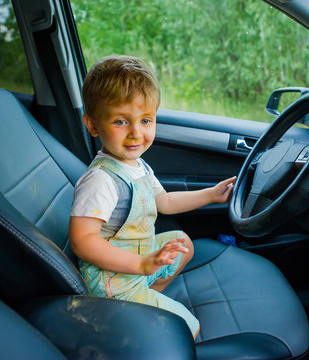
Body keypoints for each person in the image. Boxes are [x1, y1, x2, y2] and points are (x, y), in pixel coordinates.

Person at [69, 55, 236, 339]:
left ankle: (145, 300)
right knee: (187, 330)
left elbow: (165, 201)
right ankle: (139, 309)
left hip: (136, 260)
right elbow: (82, 241)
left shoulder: (138, 166)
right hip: (113, 281)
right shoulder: (101, 180)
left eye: (146, 120)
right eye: (121, 121)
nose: (136, 133)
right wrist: (141, 265)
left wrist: (211, 194)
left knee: (182, 242)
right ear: (93, 125)